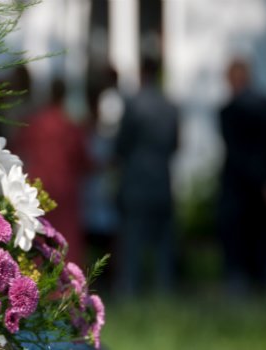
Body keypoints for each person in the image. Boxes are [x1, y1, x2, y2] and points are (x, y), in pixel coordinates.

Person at [114, 57, 179, 295]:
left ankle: (130, 289)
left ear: (142, 74)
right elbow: (175, 144)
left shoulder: (133, 105)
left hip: (137, 179)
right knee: (164, 242)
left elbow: (121, 145)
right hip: (162, 179)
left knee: (132, 240)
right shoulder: (170, 106)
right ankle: (165, 289)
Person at [13, 79, 90, 267]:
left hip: (39, 185)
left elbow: (17, 148)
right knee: (66, 235)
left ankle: (39, 276)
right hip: (64, 186)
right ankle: (67, 280)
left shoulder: (35, 122)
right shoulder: (69, 125)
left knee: (40, 235)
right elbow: (82, 158)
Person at [218, 59, 266, 292]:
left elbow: (238, 153)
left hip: (239, 190)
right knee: (265, 245)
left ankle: (241, 291)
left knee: (238, 250)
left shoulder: (230, 111)